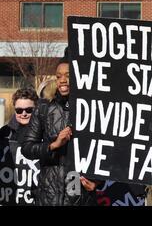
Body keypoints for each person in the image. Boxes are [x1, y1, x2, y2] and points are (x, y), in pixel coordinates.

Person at [22, 56, 100, 206]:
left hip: (77, 187)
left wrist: (98, 181)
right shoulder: (43, 109)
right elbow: (27, 148)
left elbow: (108, 149)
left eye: (68, 75)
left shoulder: (94, 108)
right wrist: (53, 145)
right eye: (58, 76)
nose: (62, 80)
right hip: (48, 193)